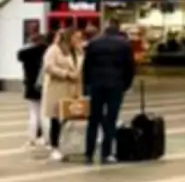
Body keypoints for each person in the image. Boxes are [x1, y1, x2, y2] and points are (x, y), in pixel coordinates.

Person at [83, 19, 135, 164]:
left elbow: (86, 66)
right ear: (118, 29)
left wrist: (87, 85)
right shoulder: (124, 45)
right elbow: (130, 67)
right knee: (111, 119)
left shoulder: (94, 43)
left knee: (93, 119)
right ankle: (106, 153)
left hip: (96, 85)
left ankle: (89, 153)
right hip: (115, 85)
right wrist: (126, 85)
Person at [41, 28, 84, 161]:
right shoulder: (54, 50)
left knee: (68, 119)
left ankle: (64, 145)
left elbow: (80, 68)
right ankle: (54, 147)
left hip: (73, 89)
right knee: (56, 118)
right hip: (57, 88)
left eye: (80, 37)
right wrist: (66, 74)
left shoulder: (78, 51)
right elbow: (48, 67)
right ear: (68, 37)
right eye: (76, 37)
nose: (78, 40)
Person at [18, 28, 47, 147]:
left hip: (31, 85)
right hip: (45, 85)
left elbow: (20, 56)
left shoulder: (25, 53)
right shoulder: (48, 50)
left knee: (33, 113)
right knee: (44, 113)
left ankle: (32, 138)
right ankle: (46, 137)